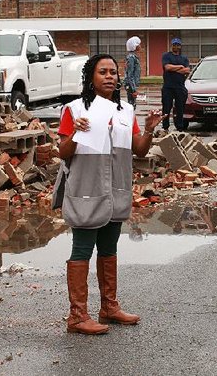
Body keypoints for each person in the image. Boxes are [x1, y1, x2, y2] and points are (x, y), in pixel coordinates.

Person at [54, 54, 164, 334]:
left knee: (109, 248)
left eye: (113, 72)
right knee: (82, 248)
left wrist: (149, 130)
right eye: (102, 72)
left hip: (116, 190)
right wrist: (76, 135)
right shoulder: (74, 109)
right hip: (86, 190)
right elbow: (62, 152)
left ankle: (109, 307)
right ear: (91, 77)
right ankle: (77, 316)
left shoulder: (126, 111)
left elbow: (138, 150)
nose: (110, 76)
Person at [161, 37, 190, 131]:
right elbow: (167, 67)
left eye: (177, 45)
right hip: (168, 87)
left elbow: (187, 70)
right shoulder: (166, 56)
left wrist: (175, 69)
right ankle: (165, 127)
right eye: (174, 45)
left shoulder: (184, 58)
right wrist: (180, 67)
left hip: (180, 87)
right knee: (166, 108)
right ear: (171, 45)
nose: (176, 47)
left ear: (180, 46)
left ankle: (180, 127)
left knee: (180, 108)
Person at [124, 36, 142, 108]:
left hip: (131, 85)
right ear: (134, 45)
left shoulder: (133, 57)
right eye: (138, 44)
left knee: (132, 105)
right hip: (130, 85)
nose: (140, 46)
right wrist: (134, 90)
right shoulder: (131, 58)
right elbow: (130, 75)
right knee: (131, 106)